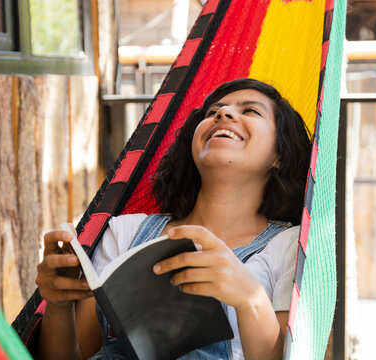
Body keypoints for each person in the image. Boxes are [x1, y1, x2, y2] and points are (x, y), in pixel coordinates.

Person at [35, 78, 312, 360]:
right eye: (212, 112)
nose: (223, 114)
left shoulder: (291, 246)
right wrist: (58, 306)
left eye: (251, 111)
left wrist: (249, 297)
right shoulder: (125, 231)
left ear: (279, 153)